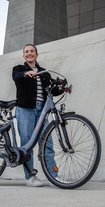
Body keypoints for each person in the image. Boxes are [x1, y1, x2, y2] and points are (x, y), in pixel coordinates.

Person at [12, 44, 66, 187]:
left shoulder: (44, 73)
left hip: (42, 111)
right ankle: (30, 177)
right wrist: (26, 74)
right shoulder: (19, 69)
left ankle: (54, 176)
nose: (29, 53)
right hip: (25, 110)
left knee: (48, 144)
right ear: (24, 56)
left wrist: (62, 88)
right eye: (27, 52)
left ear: (36, 55)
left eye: (32, 51)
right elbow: (17, 78)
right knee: (27, 144)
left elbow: (51, 91)